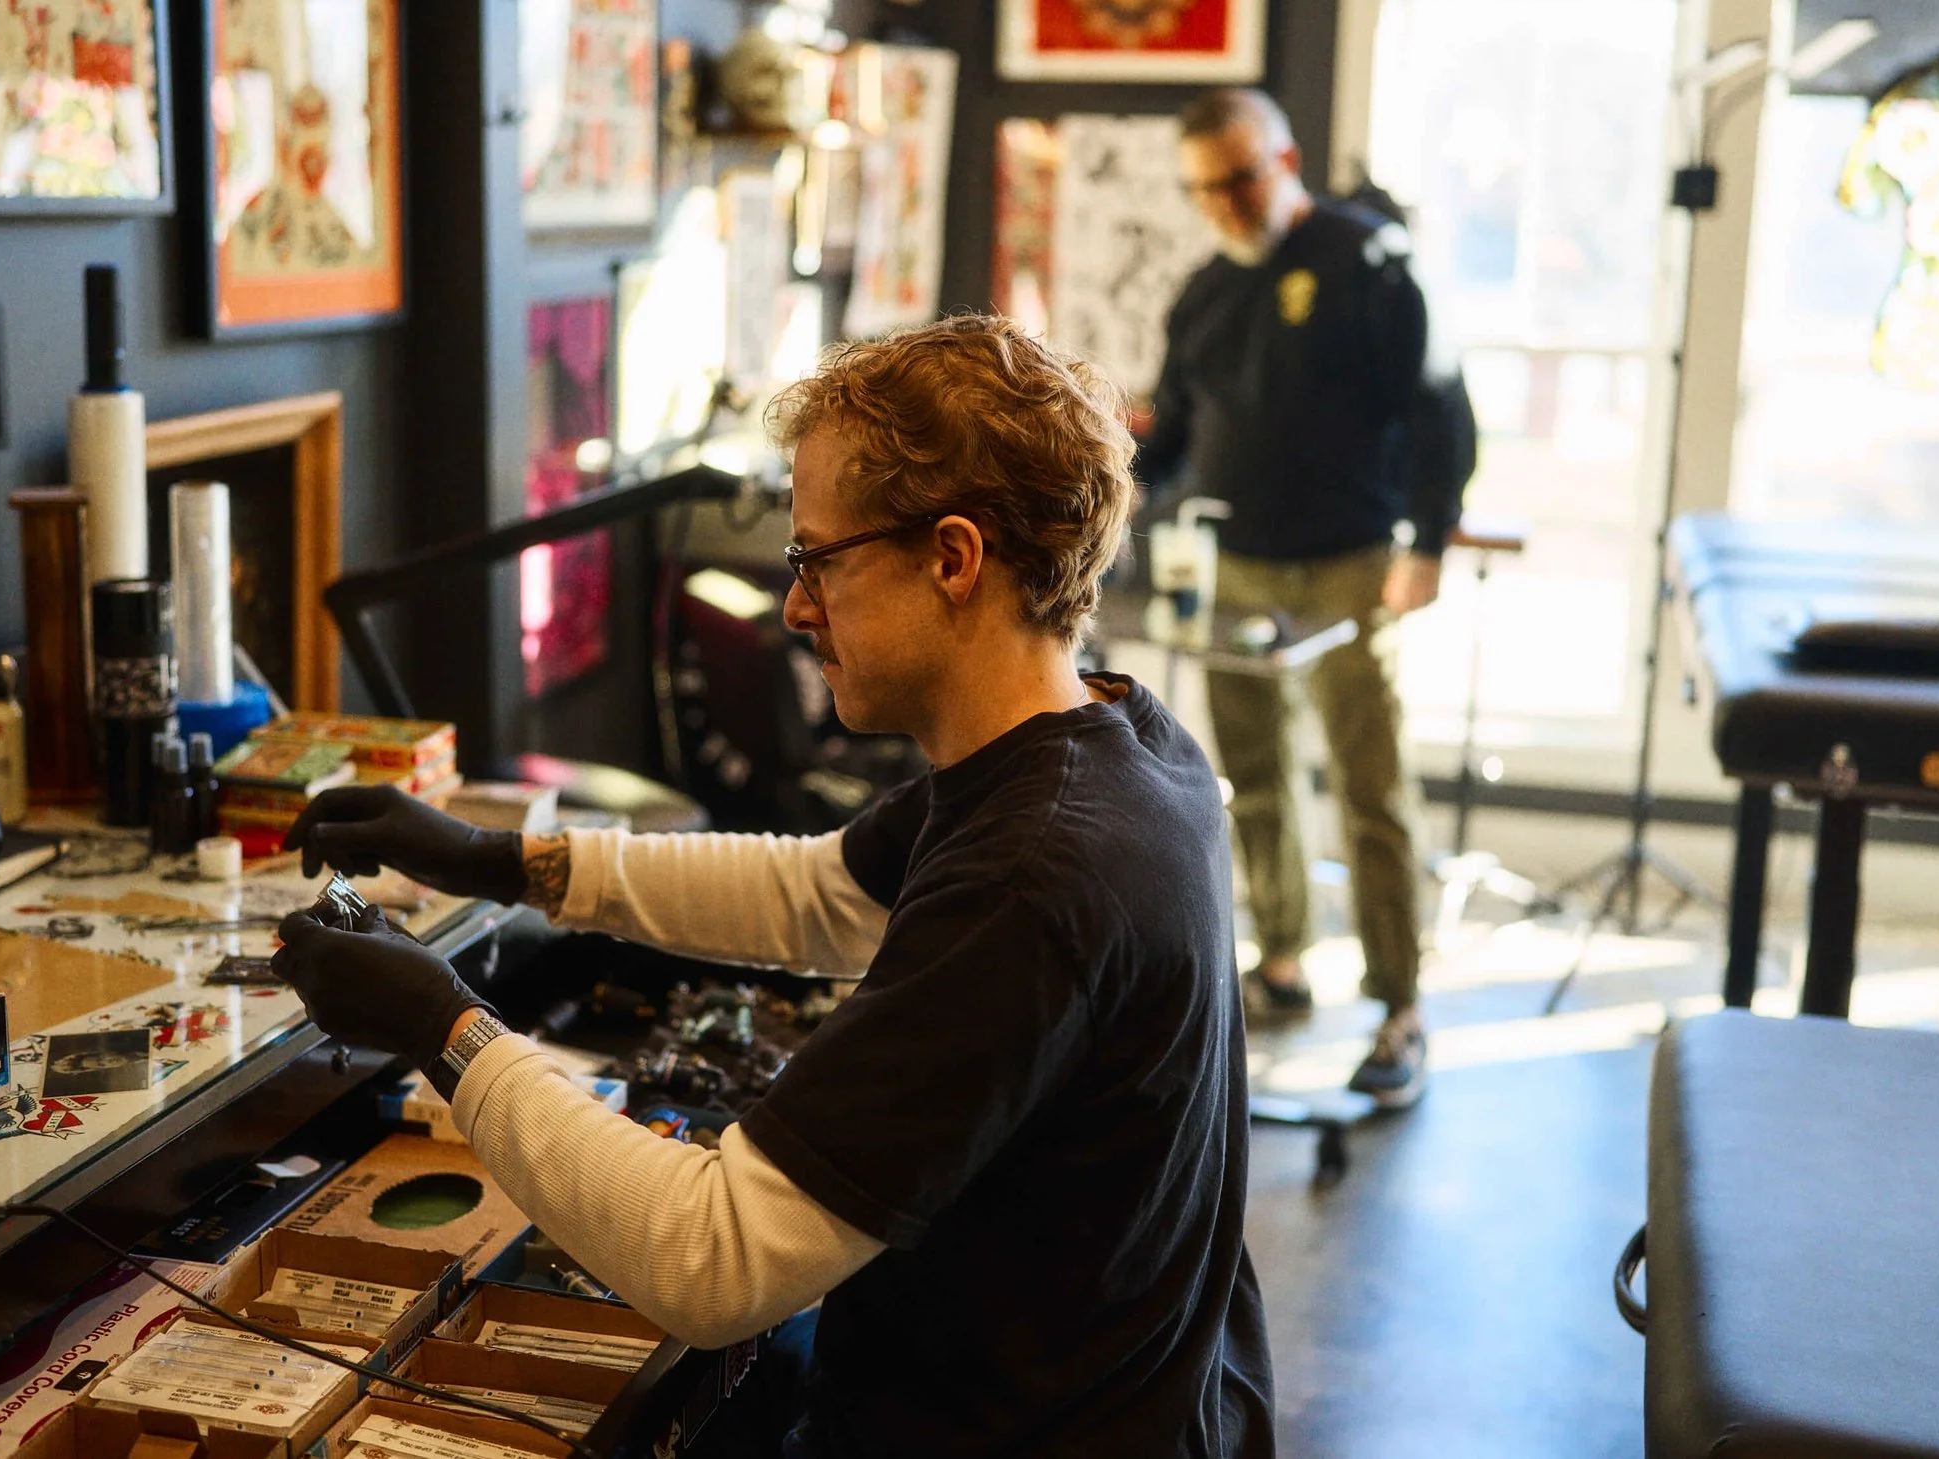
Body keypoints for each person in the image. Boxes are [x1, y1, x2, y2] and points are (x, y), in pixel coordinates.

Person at [273, 316, 1274, 1458]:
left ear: (952, 556)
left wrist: (441, 1026)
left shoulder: (1034, 871)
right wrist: (490, 859)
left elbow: (714, 1258)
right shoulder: (1108, 740)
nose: (796, 607)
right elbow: (817, 891)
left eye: (817, 560)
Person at [1136, 88, 1475, 1111]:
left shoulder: (1368, 264)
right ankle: (1281, 958)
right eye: (1206, 188)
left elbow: (1441, 410)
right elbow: (1171, 437)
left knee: (1368, 786)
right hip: (1235, 563)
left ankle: (1398, 1002)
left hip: (1350, 563)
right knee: (1249, 779)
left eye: (1241, 177)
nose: (1227, 202)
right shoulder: (1203, 293)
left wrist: (1424, 543)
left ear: (1284, 158)